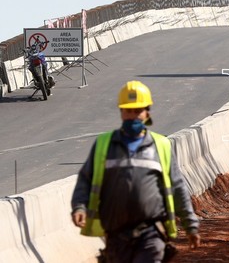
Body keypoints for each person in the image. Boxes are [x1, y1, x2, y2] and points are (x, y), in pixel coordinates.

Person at [71, 80, 201, 262]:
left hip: (151, 233)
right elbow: (85, 180)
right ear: (121, 112)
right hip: (116, 237)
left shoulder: (160, 146)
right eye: (128, 111)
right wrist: (79, 206)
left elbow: (177, 186)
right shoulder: (104, 145)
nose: (133, 116)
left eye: (138, 111)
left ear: (147, 112)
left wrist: (190, 225)